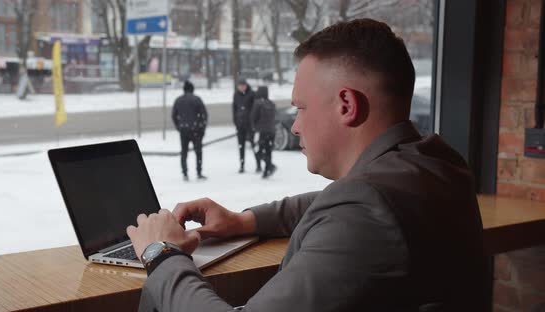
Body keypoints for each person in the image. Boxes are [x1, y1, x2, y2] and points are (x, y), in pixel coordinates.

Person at [127, 19, 490, 311]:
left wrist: (163, 256)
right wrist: (245, 221)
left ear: (346, 105)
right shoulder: (438, 164)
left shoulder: (366, 210)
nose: (296, 125)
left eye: (301, 108)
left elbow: (356, 209)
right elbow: (332, 202)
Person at [172, 80, 208, 181]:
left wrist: (179, 127)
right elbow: (204, 115)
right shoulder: (197, 99)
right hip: (196, 130)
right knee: (198, 152)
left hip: (184, 130)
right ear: (192, 89)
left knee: (184, 152)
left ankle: (185, 173)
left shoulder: (178, 100)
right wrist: (202, 128)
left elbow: (174, 116)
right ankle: (199, 172)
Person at [232, 78, 260, 173]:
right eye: (240, 86)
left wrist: (253, 122)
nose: (241, 87)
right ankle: (242, 165)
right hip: (240, 125)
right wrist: (235, 121)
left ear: (246, 85)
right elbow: (234, 109)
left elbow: (255, 109)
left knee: (254, 145)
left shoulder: (252, 94)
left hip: (250, 125)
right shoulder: (236, 95)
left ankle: (258, 164)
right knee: (241, 146)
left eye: (243, 85)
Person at [251, 86, 277, 178]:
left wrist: (254, 127)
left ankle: (270, 165)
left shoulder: (257, 103)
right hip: (271, 131)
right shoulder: (271, 103)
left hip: (261, 132)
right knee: (268, 151)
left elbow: (253, 118)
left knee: (258, 151)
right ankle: (267, 171)